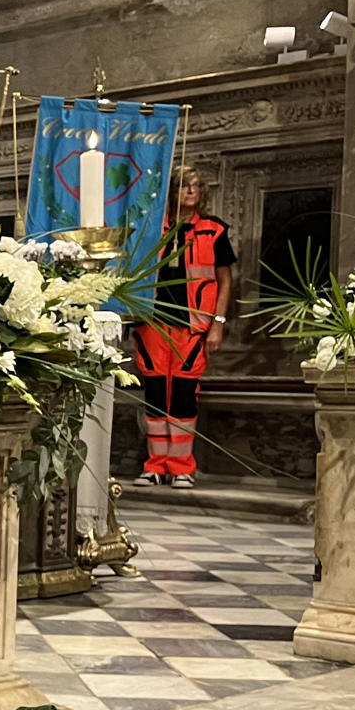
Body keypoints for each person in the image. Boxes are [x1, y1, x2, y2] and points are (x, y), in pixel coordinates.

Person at [133, 165, 235, 488]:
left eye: (195, 185)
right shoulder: (151, 230)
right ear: (171, 192)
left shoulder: (213, 230)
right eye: (183, 186)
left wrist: (217, 325)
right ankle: (154, 465)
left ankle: (181, 467)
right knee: (154, 395)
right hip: (153, 323)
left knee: (182, 396)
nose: (190, 191)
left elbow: (225, 280)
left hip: (192, 325)